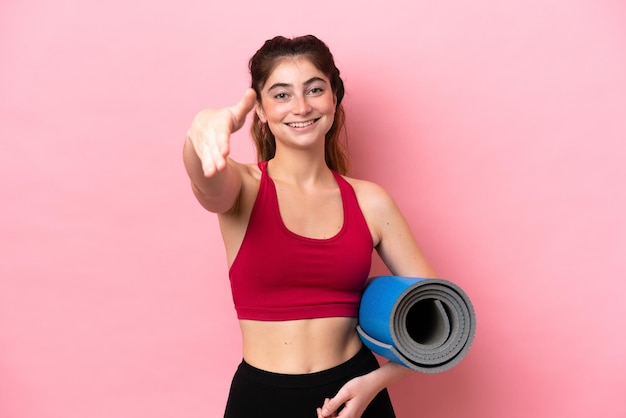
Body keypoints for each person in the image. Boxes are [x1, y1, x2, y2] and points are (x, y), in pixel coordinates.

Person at [183, 35, 437, 418]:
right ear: (262, 110)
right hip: (261, 400)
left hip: (354, 394)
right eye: (281, 95)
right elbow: (208, 181)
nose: (300, 106)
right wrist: (200, 130)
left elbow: (438, 319)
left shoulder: (371, 201)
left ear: (334, 98)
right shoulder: (244, 189)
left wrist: (374, 382)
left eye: (314, 89)